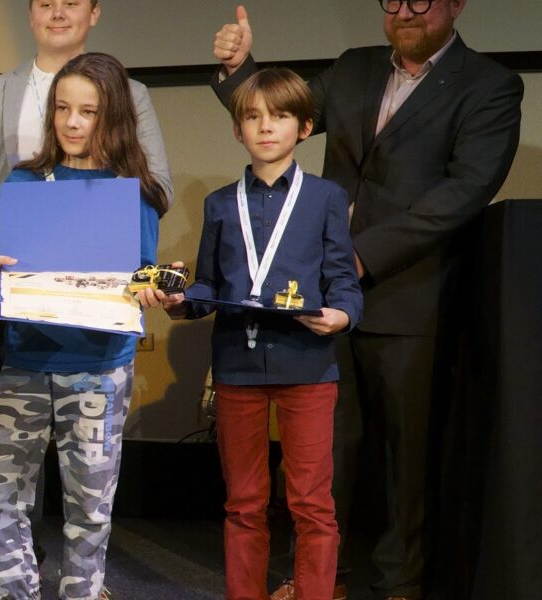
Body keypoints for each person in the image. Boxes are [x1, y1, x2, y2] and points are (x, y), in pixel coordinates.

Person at [210, 3, 523, 598]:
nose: (405, 11)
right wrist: (239, 67)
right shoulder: (355, 67)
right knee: (323, 449)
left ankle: (398, 584)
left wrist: (359, 254)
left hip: (409, 297)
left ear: (456, 3)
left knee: (405, 453)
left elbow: (464, 192)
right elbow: (280, 112)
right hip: (322, 298)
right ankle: (319, 579)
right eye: (393, 0)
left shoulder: (489, 85)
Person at [144, 68, 362, 600]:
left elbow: (342, 277)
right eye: (253, 117)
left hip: (307, 362)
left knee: (312, 503)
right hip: (237, 366)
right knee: (243, 502)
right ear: (237, 129)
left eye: (280, 116)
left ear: (304, 128)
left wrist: (342, 315)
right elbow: (209, 283)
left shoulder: (326, 197)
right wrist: (180, 301)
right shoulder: (221, 203)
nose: (266, 127)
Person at [0, 52, 168, 600]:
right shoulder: (26, 180)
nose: (72, 122)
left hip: (99, 366)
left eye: (88, 111)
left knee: (89, 506)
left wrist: (151, 289)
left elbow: (142, 272)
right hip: (27, 359)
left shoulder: (135, 190)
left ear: (113, 116)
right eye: (62, 108)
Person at [0, 0, 170, 380]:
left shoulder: (131, 97)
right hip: (19, 300)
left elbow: (155, 187)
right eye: (46, 3)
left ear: (94, 12)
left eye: (71, 3)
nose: (58, 13)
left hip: (97, 328)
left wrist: (118, 244)